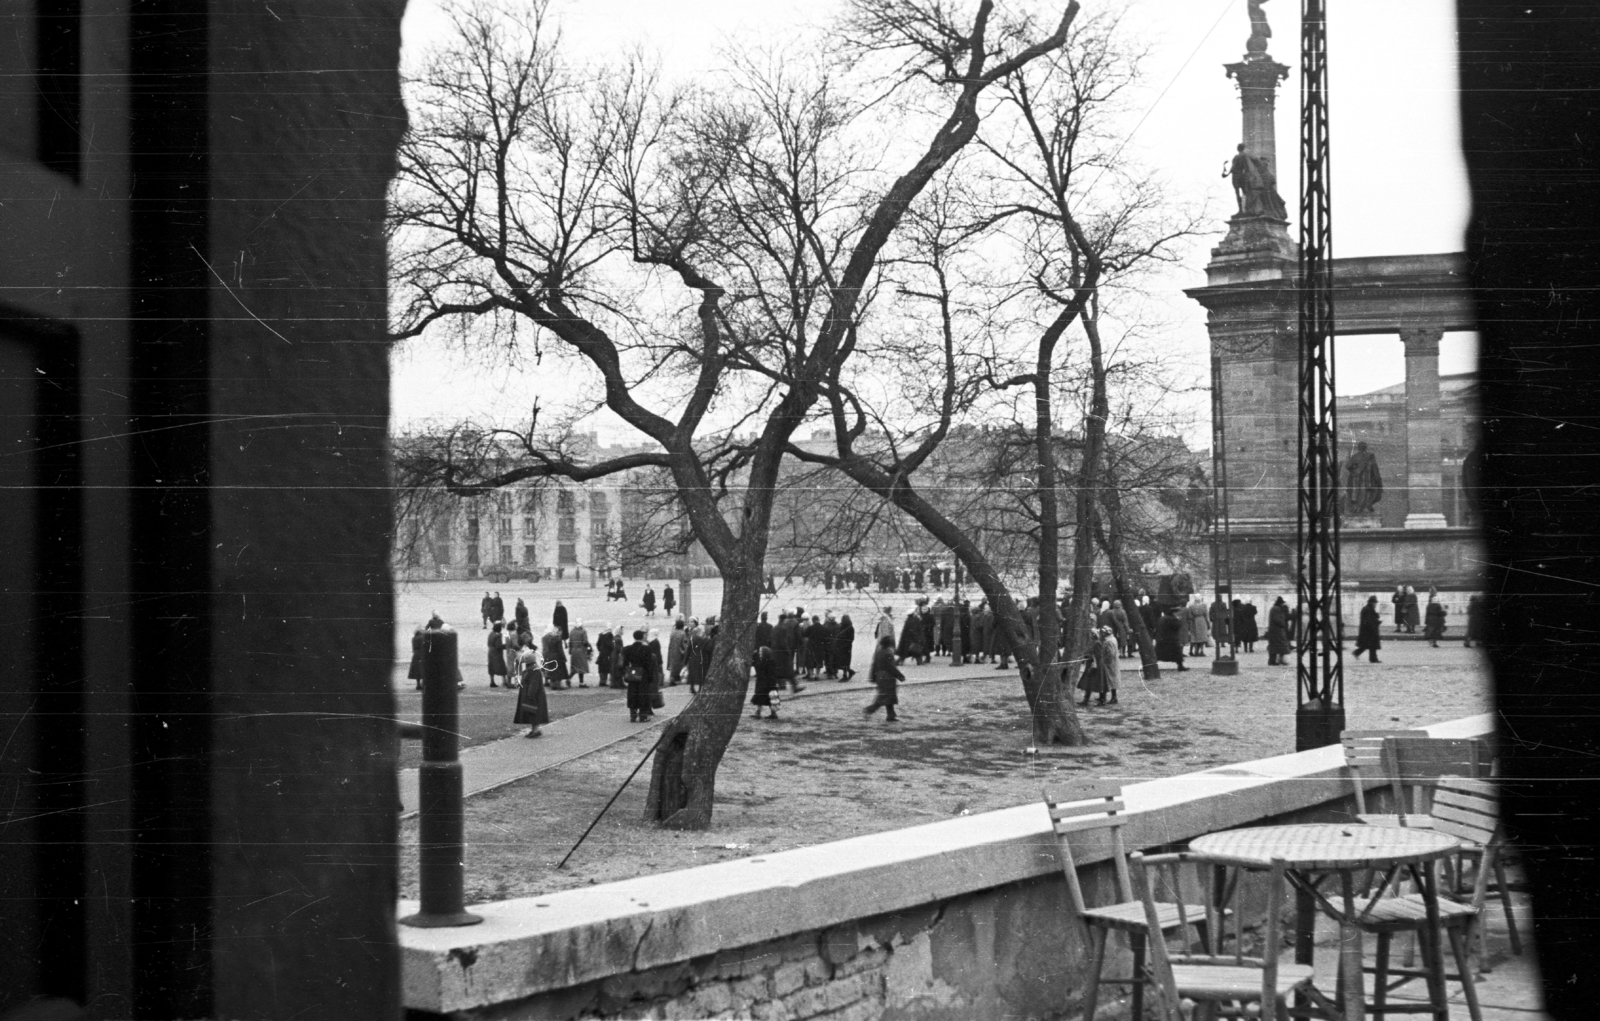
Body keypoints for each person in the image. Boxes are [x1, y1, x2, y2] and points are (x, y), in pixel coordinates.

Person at [864, 635, 904, 723]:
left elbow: (874, 665)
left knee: (889, 697)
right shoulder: (888, 653)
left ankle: (891, 715)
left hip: (880, 676)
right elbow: (891, 667)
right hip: (888, 677)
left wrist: (873, 677)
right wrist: (900, 676)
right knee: (885, 697)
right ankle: (870, 710)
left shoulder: (878, 652)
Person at [513, 640, 549, 737]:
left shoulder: (533, 670)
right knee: (532, 713)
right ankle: (534, 729)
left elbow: (533, 684)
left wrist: (530, 695)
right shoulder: (532, 669)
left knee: (534, 713)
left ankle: (536, 730)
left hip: (533, 696)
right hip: (532, 696)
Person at [621, 630, 653, 722]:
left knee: (632, 693)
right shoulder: (647, 649)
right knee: (643, 694)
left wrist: (625, 673)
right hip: (643, 674)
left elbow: (624, 663)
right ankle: (643, 715)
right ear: (642, 637)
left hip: (633, 673)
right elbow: (649, 664)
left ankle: (633, 714)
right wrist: (650, 676)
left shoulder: (628, 649)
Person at [750, 645, 781, 720]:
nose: (760, 653)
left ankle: (772, 713)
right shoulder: (761, 661)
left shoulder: (770, 662)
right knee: (760, 698)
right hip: (762, 683)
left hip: (768, 684)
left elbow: (772, 674)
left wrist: (772, 683)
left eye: (761, 652)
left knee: (770, 699)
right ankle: (758, 712)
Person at [1154, 605, 1187, 672]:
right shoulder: (1172, 619)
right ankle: (1180, 666)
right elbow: (1177, 626)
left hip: (1162, 639)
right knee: (1177, 653)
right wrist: (1178, 620)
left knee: (1158, 654)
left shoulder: (1162, 618)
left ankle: (1153, 665)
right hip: (1171, 640)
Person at [1354, 595, 1383, 663]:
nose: (1376, 604)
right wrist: (1377, 623)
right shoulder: (1368, 609)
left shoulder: (1368, 609)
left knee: (1366, 645)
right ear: (1372, 603)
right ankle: (1373, 659)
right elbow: (1369, 621)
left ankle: (1357, 653)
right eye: (1375, 603)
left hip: (1367, 630)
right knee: (1372, 645)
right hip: (1369, 631)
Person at [1098, 626, 1120, 705]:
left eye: (1103, 632)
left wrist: (1104, 660)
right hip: (1112, 663)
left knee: (1107, 680)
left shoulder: (1108, 641)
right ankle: (1113, 697)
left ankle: (1105, 698)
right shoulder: (1112, 639)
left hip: (1109, 664)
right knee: (1111, 680)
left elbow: (1110, 653)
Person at [1266, 597, 1291, 666]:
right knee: (1279, 645)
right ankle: (1274, 660)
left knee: (1275, 646)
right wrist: (1283, 623)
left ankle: (1273, 660)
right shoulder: (1276, 609)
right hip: (1277, 630)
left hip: (1275, 630)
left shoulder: (1274, 608)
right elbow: (1277, 619)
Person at [568, 619, 592, 685]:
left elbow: (570, 642)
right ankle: (581, 683)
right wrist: (589, 647)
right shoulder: (583, 631)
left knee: (574, 667)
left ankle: (569, 678)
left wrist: (570, 651)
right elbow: (585, 642)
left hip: (573, 651)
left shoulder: (572, 631)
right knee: (581, 667)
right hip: (581, 650)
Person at [835, 613, 856, 681]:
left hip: (843, 647)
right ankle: (849, 672)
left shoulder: (842, 627)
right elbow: (852, 638)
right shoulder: (850, 627)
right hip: (847, 647)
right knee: (846, 661)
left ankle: (845, 675)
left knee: (843, 661)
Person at [820, 612, 842, 678]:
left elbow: (823, 636)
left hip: (827, 644)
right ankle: (835, 672)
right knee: (835, 658)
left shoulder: (825, 626)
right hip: (836, 644)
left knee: (828, 659)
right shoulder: (838, 626)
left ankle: (829, 673)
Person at [487, 622, 508, 688]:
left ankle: (492, 681)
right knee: (501, 666)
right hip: (497, 653)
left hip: (490, 652)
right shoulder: (498, 635)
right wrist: (507, 646)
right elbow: (498, 646)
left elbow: (488, 643)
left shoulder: (491, 633)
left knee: (491, 667)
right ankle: (505, 681)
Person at [595, 623, 615, 687]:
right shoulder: (610, 635)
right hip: (607, 653)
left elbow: (597, 644)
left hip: (601, 653)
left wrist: (600, 650)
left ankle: (602, 681)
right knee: (607, 667)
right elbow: (610, 644)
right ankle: (605, 681)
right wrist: (613, 649)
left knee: (601, 667)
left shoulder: (601, 634)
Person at [408, 625, 426, 690]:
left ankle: (418, 685)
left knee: (416, 670)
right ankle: (423, 684)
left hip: (415, 655)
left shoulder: (413, 638)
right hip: (422, 654)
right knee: (423, 669)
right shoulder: (422, 638)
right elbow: (424, 647)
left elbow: (413, 648)